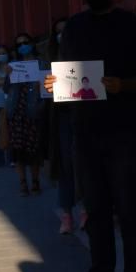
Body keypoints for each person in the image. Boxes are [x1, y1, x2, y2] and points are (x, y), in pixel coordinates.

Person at [45, 0, 136, 272]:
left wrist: (123, 85)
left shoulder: (131, 25)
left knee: (130, 211)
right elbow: (64, 77)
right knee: (94, 212)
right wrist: (53, 85)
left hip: (124, 132)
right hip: (86, 133)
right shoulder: (75, 28)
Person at [46, 17, 84, 235]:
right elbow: (42, 91)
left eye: (65, 31)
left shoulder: (85, 57)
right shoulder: (50, 59)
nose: (62, 35)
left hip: (84, 118)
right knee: (65, 167)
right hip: (61, 118)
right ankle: (67, 214)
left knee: (85, 165)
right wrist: (47, 87)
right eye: (57, 32)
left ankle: (86, 209)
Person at [5, 32, 44, 196]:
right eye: (19, 44)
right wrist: (7, 75)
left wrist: (40, 87)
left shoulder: (41, 64)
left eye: (25, 42)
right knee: (17, 149)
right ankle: (23, 182)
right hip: (16, 112)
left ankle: (35, 181)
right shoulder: (13, 65)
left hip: (33, 111)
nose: (22, 46)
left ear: (32, 44)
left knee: (34, 149)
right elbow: (6, 89)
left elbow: (50, 87)